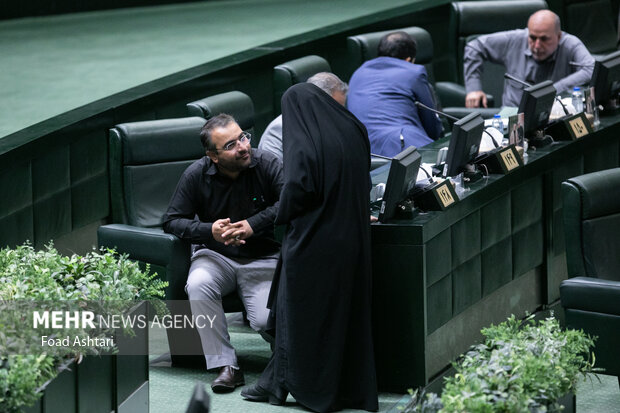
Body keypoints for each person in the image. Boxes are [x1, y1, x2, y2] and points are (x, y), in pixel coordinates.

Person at [241, 83, 379, 412]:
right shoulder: (352, 128)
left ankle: (299, 386)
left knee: (298, 316)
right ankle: (275, 381)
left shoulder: (305, 139)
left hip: (314, 242)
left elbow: (299, 188)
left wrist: (280, 215)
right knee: (342, 317)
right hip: (353, 238)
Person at [163, 114, 283, 393]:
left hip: (264, 257)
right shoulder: (196, 174)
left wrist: (254, 225)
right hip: (216, 256)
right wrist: (210, 231)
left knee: (265, 320)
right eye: (231, 145)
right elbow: (172, 220)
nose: (243, 147)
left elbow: (289, 200)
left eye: (243, 137)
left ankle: (285, 360)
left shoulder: (267, 163)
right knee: (198, 283)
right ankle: (226, 365)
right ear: (213, 156)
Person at [464, 9, 595, 108]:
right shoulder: (515, 39)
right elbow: (474, 47)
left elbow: (591, 69)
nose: (537, 45)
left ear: (558, 37)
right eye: (532, 38)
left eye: (544, 39)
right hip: (512, 117)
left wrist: (552, 90)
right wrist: (474, 88)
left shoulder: (569, 44)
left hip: (555, 113)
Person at [347, 31, 442, 158]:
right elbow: (430, 122)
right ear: (409, 60)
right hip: (403, 146)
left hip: (363, 153)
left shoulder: (358, 73)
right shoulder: (413, 72)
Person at [258, 72, 348, 160]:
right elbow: (276, 172)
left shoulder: (334, 125)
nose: (339, 116)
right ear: (314, 103)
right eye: (334, 110)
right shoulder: (277, 131)